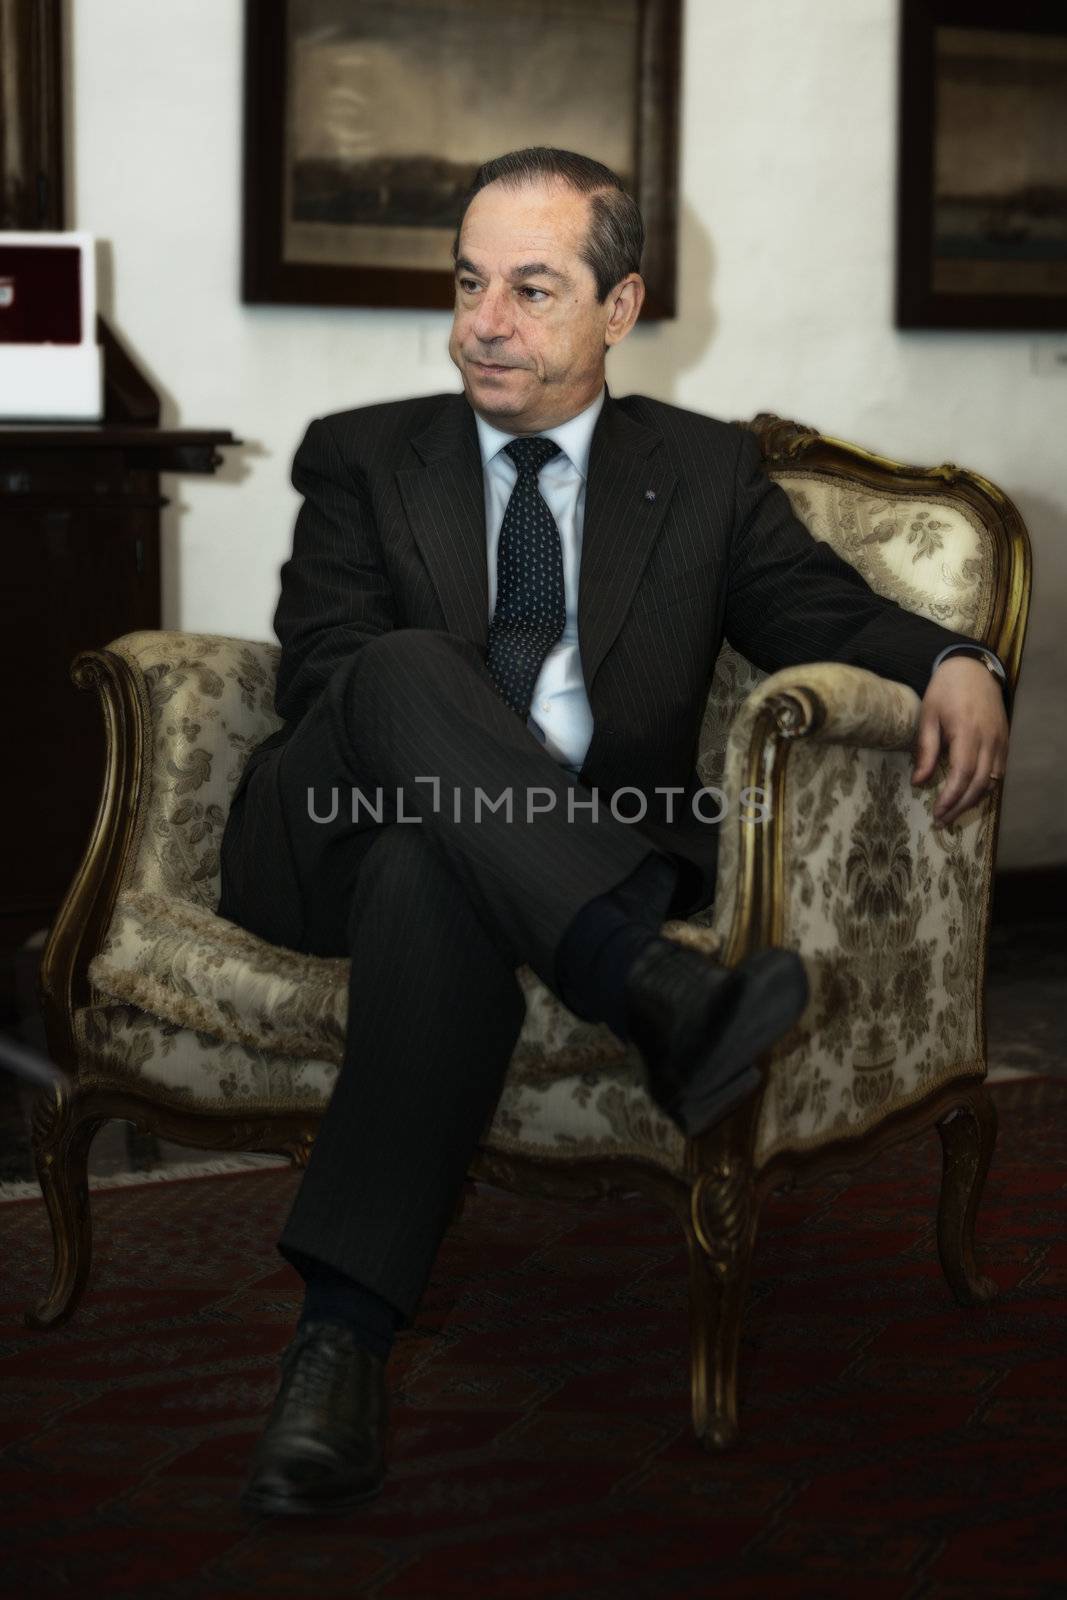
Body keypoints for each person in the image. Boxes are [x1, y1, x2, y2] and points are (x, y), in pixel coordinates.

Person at [219, 147, 1010, 1518]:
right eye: (470, 283)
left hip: (498, 864)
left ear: (619, 305)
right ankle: (645, 978)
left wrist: (961, 660)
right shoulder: (362, 454)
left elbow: (827, 614)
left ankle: (340, 1342)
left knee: (442, 874)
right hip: (330, 829)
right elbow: (319, 677)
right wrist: (485, 768)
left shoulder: (703, 475)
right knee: (398, 674)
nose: (485, 321)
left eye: (532, 288)